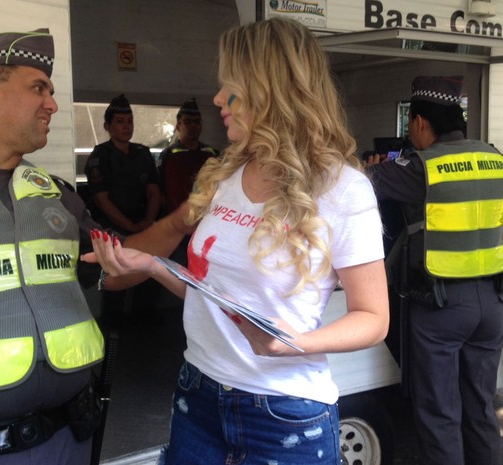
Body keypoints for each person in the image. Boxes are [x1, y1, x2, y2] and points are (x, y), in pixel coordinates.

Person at [85, 17, 389, 465]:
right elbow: (212, 298)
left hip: (283, 413)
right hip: (198, 392)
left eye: (230, 87)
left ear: (269, 91)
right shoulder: (223, 176)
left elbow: (373, 318)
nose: (216, 100)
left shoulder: (343, 189)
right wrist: (151, 265)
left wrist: (293, 342)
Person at [0, 28, 189, 465]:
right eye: (38, 88)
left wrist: (183, 218)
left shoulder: (53, 193)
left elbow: (121, 266)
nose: (52, 103)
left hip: (72, 438)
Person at [366, 75, 503, 465]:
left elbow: (358, 183)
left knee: (439, 414)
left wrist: (373, 167)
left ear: (422, 123)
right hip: (492, 305)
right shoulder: (495, 158)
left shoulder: (420, 167)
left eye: (411, 127)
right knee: (479, 408)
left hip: (441, 307)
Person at [84, 94, 160, 235]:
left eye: (130, 121)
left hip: (142, 224)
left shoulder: (143, 153)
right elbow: (101, 200)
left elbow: (153, 192)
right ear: (107, 126)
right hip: (110, 228)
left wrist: (148, 222)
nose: (126, 126)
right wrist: (131, 227)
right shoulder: (100, 155)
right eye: (120, 121)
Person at [157, 98, 219, 215]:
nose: (192, 126)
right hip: (175, 217)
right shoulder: (168, 155)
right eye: (187, 122)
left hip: (205, 216)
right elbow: (160, 192)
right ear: (178, 126)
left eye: (196, 122)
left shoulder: (212, 154)